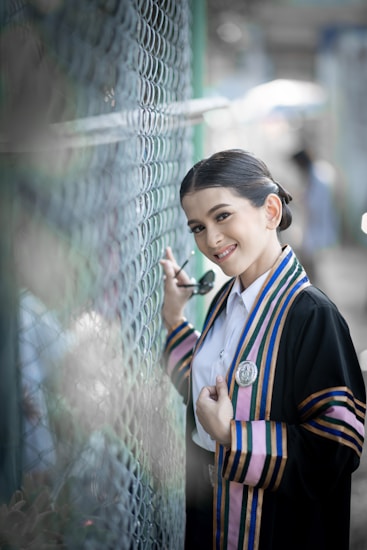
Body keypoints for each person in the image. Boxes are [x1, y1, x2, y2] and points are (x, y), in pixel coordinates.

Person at [160, 149, 366, 550]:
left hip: (280, 531)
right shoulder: (226, 300)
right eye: (197, 227)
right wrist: (174, 321)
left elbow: (336, 449)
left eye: (222, 216)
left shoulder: (312, 315)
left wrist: (232, 436)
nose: (211, 239)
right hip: (211, 521)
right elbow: (210, 394)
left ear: (271, 211)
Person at [291, 148, 339, 282]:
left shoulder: (317, 177)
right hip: (315, 227)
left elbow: (315, 204)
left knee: (318, 264)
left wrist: (301, 199)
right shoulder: (312, 175)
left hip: (319, 226)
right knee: (313, 261)